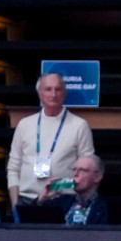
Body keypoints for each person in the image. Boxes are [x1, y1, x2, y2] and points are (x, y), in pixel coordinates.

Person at [6, 71, 95, 222]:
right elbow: (13, 168)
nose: (53, 94)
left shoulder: (79, 126)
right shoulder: (24, 125)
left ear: (64, 93)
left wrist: (59, 186)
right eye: (48, 89)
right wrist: (15, 206)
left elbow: (87, 172)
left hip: (63, 201)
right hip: (26, 200)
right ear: (40, 94)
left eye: (58, 89)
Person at [54, 154, 109, 226]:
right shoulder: (61, 202)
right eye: (74, 170)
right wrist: (42, 199)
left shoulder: (107, 208)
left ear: (97, 177)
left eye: (83, 170)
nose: (76, 174)